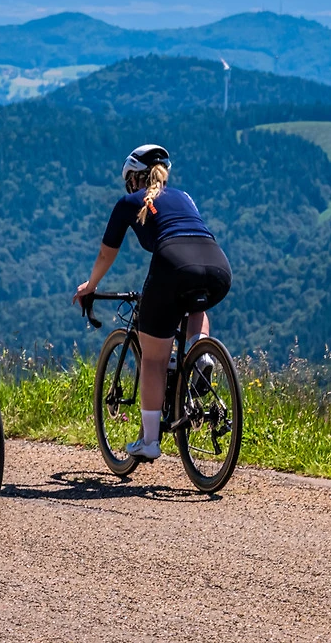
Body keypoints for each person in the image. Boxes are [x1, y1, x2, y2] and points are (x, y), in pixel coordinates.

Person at [73, 144, 231, 462]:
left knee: (154, 359)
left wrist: (91, 285)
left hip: (173, 263)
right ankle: (200, 351)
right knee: (194, 303)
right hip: (217, 265)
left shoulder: (129, 202)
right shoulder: (184, 197)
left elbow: (106, 253)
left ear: (134, 179)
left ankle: (149, 441)